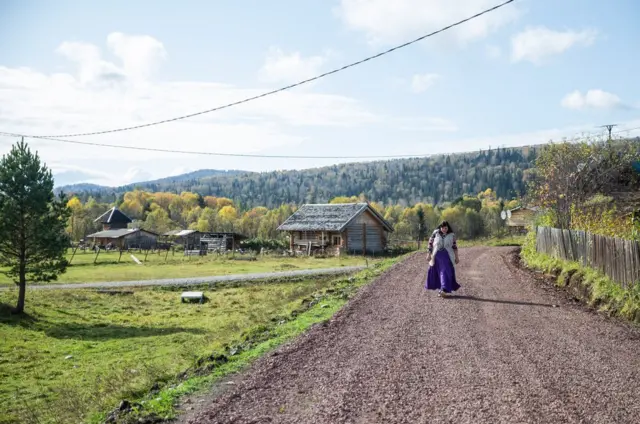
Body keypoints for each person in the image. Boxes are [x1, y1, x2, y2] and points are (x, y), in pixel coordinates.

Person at [425, 221, 460, 297]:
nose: (444, 229)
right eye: (443, 228)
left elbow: (454, 247)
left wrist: (457, 257)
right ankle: (442, 289)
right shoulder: (435, 233)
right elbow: (430, 244)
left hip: (447, 255)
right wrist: (428, 254)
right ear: (440, 227)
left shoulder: (452, 235)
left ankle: (443, 289)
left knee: (445, 271)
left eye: (446, 228)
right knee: (438, 272)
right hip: (436, 255)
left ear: (448, 228)